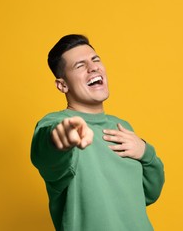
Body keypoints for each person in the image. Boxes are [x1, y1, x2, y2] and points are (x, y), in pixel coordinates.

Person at [31, 34, 165, 231]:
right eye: (80, 65)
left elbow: (149, 193)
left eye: (95, 60)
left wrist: (145, 152)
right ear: (62, 85)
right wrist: (62, 137)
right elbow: (45, 153)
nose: (93, 67)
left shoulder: (122, 126)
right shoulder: (56, 123)